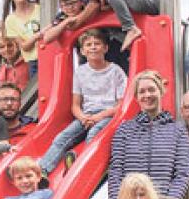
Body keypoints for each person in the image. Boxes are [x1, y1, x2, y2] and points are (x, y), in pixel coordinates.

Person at [109, 70, 189, 199]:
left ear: (161, 91)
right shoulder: (124, 130)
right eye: (142, 92)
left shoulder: (178, 130)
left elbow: (183, 173)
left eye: (152, 89)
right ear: (136, 97)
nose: (147, 95)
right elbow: (115, 171)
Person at [38, 29, 125, 176]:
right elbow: (75, 105)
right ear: (83, 51)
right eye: (88, 45)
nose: (92, 47)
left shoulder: (116, 71)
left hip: (108, 114)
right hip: (86, 115)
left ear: (105, 48)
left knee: (94, 134)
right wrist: (83, 117)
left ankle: (80, 166)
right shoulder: (80, 72)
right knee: (62, 137)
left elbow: (121, 105)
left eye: (97, 44)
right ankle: (42, 171)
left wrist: (99, 117)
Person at [74, 0, 160, 51]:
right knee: (107, 20)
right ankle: (133, 45)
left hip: (150, 1)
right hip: (138, 14)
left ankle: (131, 29)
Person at [2, 0, 42, 78]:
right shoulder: (10, 20)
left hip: (50, 54)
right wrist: (39, 35)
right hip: (33, 62)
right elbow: (24, 46)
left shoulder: (41, 8)